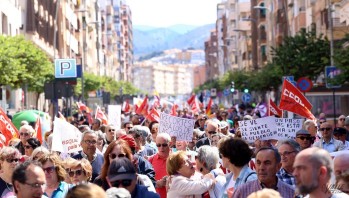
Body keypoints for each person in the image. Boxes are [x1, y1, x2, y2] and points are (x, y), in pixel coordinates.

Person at [148, 133, 171, 198]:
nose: (161, 148)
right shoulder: (151, 160)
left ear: (170, 144)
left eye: (164, 145)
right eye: (158, 145)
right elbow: (146, 180)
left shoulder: (177, 159)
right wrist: (156, 183)